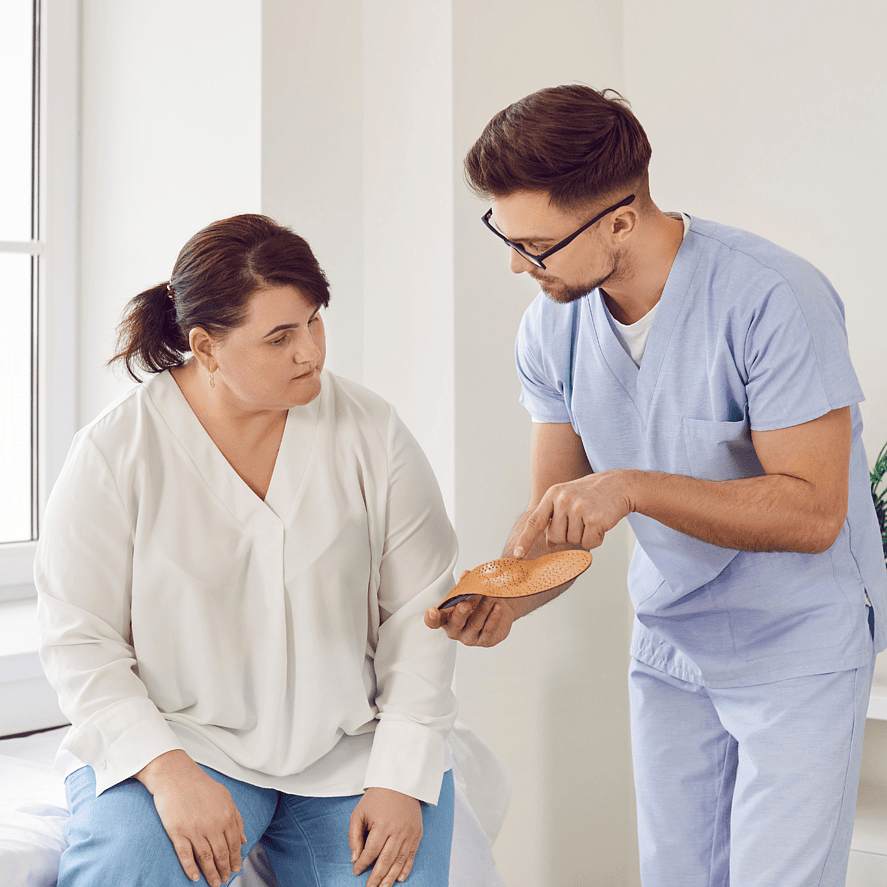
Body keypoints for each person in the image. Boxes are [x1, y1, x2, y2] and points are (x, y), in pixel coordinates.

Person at [425, 84, 887, 887]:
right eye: (506, 236)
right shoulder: (551, 325)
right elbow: (556, 521)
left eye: (536, 245)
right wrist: (505, 596)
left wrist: (632, 487)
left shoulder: (772, 297)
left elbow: (814, 510)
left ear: (619, 221)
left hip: (797, 645)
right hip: (672, 644)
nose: (516, 265)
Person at [36, 214, 458, 887]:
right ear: (206, 347)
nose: (310, 352)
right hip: (180, 742)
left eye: (314, 321)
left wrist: (400, 776)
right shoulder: (116, 452)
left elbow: (421, 613)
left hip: (350, 751)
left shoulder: (372, 431)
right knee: (128, 866)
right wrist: (168, 773)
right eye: (279, 337)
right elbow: (79, 638)